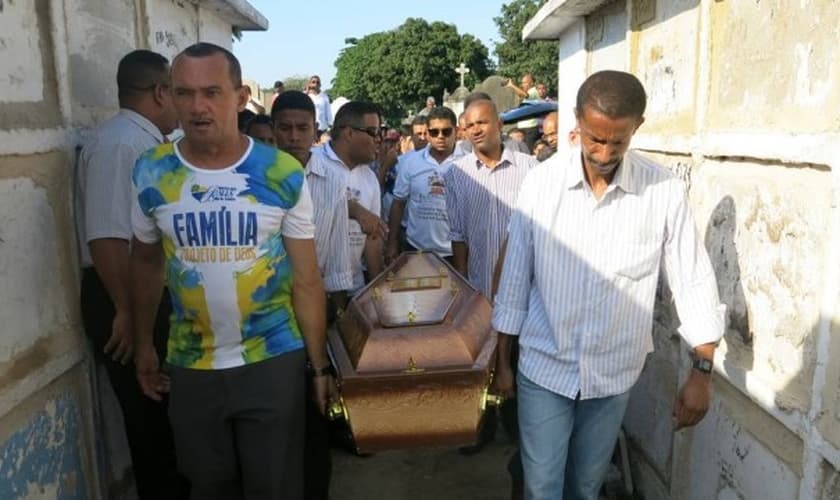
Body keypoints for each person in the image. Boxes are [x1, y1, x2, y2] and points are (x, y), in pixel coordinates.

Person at [492, 70, 724, 500]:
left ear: (637, 126)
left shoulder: (663, 191)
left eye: (617, 141)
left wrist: (702, 371)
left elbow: (691, 276)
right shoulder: (542, 185)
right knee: (542, 486)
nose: (603, 152)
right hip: (545, 363)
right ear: (577, 122)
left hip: (614, 372)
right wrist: (502, 361)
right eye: (594, 139)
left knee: (585, 486)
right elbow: (515, 278)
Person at [130, 42, 331, 500]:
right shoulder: (151, 172)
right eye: (184, 93)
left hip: (272, 357)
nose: (198, 107)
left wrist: (317, 368)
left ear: (240, 98)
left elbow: (306, 278)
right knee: (208, 486)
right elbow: (144, 261)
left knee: (275, 486)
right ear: (170, 96)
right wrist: (144, 342)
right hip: (190, 362)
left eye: (212, 92)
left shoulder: (280, 173)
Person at [76, 49, 187, 500]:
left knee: (165, 418)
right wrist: (128, 311)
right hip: (123, 296)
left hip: (140, 296)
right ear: (161, 92)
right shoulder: (121, 143)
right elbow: (105, 237)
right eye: (179, 91)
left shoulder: (145, 141)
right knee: (151, 423)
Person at [445, 99, 537, 458]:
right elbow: (458, 234)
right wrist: (465, 287)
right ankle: (480, 428)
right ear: (464, 132)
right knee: (479, 361)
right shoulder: (457, 174)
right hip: (480, 284)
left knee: (519, 356)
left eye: (483, 122)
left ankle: (517, 425)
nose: (477, 129)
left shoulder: (531, 168)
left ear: (499, 123)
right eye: (469, 126)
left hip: (526, 285)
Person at [271, 90, 352, 500]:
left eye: (302, 128)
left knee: (316, 406)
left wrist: (337, 311)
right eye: (284, 128)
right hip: (269, 310)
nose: (293, 136)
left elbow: (337, 253)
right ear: (273, 130)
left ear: (315, 131)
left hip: (315, 302)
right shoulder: (258, 175)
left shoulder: (333, 179)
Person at [312, 100, 384, 294]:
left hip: (354, 288)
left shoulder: (369, 178)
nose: (379, 139)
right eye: (373, 132)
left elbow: (372, 237)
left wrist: (377, 290)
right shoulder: (312, 163)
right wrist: (354, 210)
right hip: (312, 288)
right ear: (349, 133)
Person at [387, 106, 462, 263]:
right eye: (434, 132)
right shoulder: (410, 162)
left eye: (446, 131)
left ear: (456, 131)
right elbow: (398, 204)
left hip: (455, 253)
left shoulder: (468, 163)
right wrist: (392, 243)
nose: (440, 137)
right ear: (427, 133)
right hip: (416, 249)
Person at [506, 74, 541, 150]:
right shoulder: (529, 93)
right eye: (522, 83)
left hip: (530, 128)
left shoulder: (533, 91)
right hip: (524, 128)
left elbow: (525, 95)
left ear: (531, 83)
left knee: (529, 151)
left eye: (525, 82)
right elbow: (521, 94)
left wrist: (512, 85)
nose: (522, 85)